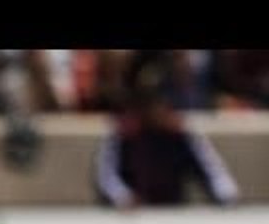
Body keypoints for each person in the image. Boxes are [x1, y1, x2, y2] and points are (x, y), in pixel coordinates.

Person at [94, 62, 239, 209]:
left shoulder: (181, 134)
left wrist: (226, 196)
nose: (155, 110)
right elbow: (106, 177)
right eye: (148, 104)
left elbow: (213, 171)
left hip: (171, 211)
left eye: (160, 103)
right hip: (132, 215)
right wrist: (123, 196)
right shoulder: (124, 134)